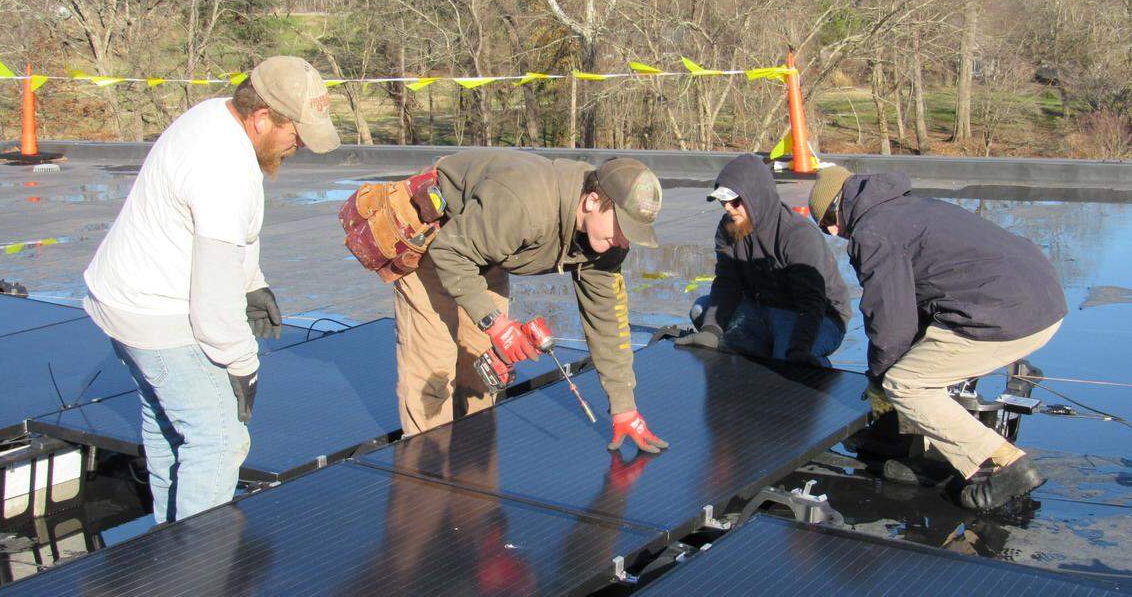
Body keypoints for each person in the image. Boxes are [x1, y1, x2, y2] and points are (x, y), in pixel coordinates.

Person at [82, 56, 340, 522]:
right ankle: (197, 570)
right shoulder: (224, 168)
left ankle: (170, 540)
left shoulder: (217, 116)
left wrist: (253, 283)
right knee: (220, 439)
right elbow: (213, 302)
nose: (297, 144)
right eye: (295, 132)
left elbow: (232, 235)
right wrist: (243, 365)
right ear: (262, 118)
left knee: (168, 428)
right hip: (158, 313)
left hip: (120, 298)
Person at [807, 166, 1067, 510]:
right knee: (922, 362)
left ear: (840, 204)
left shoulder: (873, 231)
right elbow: (920, 301)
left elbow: (889, 317)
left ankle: (1006, 464)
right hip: (1044, 304)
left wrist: (880, 380)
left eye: (827, 221)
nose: (833, 232)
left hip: (1005, 317)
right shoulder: (912, 208)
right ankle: (937, 456)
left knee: (906, 384)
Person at [393, 150, 668, 453]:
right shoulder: (526, 205)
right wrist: (493, 321)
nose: (624, 241)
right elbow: (449, 251)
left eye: (632, 233)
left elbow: (607, 322)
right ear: (591, 201)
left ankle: (469, 476)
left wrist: (623, 406)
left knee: (484, 371)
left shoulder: (609, 243)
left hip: (490, 247)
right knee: (435, 370)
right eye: (623, 227)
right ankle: (424, 472)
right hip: (439, 240)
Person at [676, 154, 851, 366]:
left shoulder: (797, 234)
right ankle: (764, 347)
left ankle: (810, 362)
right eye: (723, 201)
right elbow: (726, 283)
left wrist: (799, 348)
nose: (728, 208)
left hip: (816, 316)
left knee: (788, 360)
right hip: (762, 308)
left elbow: (811, 302)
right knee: (701, 311)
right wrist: (711, 330)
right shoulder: (728, 228)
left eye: (735, 201)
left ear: (755, 196)